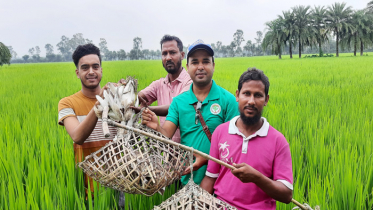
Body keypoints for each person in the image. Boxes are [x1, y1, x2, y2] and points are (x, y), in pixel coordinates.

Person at [142, 39, 239, 186]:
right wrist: (157, 126)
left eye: (205, 62)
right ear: (187, 67)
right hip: (187, 182)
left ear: (213, 65)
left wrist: (206, 158)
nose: (200, 67)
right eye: (194, 62)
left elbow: (235, 144)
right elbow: (166, 134)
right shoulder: (178, 102)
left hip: (221, 184)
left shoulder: (228, 100)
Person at [200, 68, 293, 210]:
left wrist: (257, 178)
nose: (251, 101)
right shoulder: (221, 132)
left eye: (258, 95)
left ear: (266, 99)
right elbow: (210, 177)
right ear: (237, 95)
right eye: (246, 94)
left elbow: (286, 195)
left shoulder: (278, 141)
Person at [57, 44, 124, 206]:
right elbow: (77, 136)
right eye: (85, 68)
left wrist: (123, 96)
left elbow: (129, 136)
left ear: (101, 70)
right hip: (88, 187)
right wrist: (100, 102)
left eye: (95, 66)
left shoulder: (116, 98)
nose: (91, 72)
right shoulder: (67, 103)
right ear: (77, 73)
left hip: (120, 185)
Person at [133, 35, 192, 143]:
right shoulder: (159, 84)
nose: (168, 57)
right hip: (166, 150)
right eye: (164, 53)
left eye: (172, 52)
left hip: (187, 150)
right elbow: (138, 98)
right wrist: (124, 92)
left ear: (182, 55)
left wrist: (145, 109)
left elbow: (176, 107)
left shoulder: (190, 82)